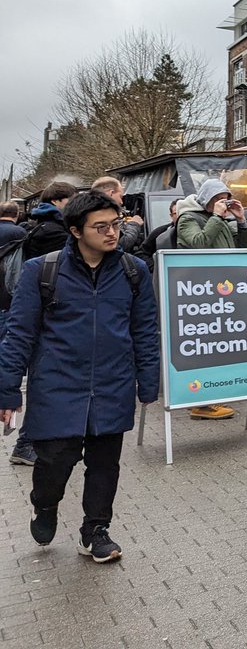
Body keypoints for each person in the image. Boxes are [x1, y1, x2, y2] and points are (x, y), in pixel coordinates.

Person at [0, 190, 159, 563]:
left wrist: (148, 382)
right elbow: (19, 334)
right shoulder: (42, 270)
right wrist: (7, 391)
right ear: (75, 231)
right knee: (55, 463)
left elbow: (144, 330)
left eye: (116, 225)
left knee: (105, 464)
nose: (112, 234)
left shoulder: (133, 271)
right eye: (100, 227)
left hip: (112, 384)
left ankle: (95, 530)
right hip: (57, 386)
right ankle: (45, 504)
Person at [9, 180, 76, 467]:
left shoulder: (38, 224)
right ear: (61, 201)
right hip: (50, 312)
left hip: (40, 309)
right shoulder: (54, 231)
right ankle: (25, 444)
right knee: (44, 382)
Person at [175, 178, 247, 421]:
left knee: (220, 344)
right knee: (202, 345)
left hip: (222, 289)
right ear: (207, 199)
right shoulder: (189, 218)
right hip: (198, 292)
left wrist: (241, 221)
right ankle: (199, 402)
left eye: (226, 198)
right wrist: (217, 218)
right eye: (219, 199)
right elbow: (200, 243)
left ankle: (214, 394)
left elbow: (242, 248)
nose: (224, 203)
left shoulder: (224, 221)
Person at [22, 181, 75, 260]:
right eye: (72, 199)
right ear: (55, 201)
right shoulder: (53, 231)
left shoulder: (43, 223)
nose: (76, 203)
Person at [91, 177, 144, 253]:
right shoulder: (102, 213)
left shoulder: (90, 211)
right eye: (120, 197)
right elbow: (121, 244)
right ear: (111, 193)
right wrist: (134, 224)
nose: (122, 202)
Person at [137, 198, 179, 269]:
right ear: (171, 216)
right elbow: (141, 254)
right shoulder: (160, 233)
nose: (179, 216)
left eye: (182, 212)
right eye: (176, 213)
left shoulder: (198, 233)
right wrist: (157, 267)